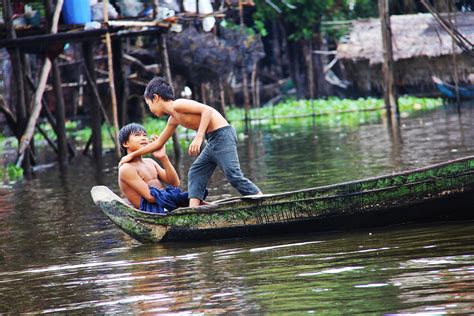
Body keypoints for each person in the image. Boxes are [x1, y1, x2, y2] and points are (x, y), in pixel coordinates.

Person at [119, 76, 262, 207]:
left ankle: (261, 199)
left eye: (148, 104)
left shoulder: (178, 105)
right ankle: (193, 210)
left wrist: (199, 137)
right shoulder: (173, 119)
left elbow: (207, 111)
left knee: (233, 175)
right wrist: (130, 156)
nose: (149, 109)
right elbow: (158, 143)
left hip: (223, 135)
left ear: (155, 98)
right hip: (212, 139)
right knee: (195, 172)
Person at [118, 123, 193, 214]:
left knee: (197, 195)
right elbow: (150, 198)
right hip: (151, 209)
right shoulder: (126, 168)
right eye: (137, 135)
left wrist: (163, 157)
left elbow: (175, 183)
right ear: (125, 143)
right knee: (193, 197)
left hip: (164, 202)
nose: (143, 138)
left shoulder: (150, 161)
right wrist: (175, 197)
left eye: (145, 135)